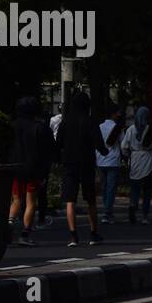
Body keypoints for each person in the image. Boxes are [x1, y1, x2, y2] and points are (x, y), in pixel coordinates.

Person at [57, 92, 108, 246]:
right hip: (87, 163)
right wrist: (105, 151)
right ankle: (93, 234)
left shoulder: (65, 122)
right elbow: (100, 145)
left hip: (70, 163)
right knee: (90, 199)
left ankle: (73, 236)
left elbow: (58, 144)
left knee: (70, 200)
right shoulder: (91, 121)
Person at [9, 97, 56, 246]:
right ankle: (25, 234)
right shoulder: (40, 128)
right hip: (34, 170)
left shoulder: (11, 126)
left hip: (15, 169)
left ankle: (8, 228)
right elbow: (50, 151)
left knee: (16, 200)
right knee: (30, 203)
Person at [122, 105, 152, 224]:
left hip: (135, 160)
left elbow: (124, 147)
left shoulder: (131, 129)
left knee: (135, 189)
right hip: (147, 161)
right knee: (147, 190)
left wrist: (128, 156)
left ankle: (132, 205)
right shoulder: (151, 129)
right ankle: (145, 216)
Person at [97, 105, 127, 224]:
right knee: (111, 188)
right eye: (118, 113)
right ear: (113, 114)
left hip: (100, 159)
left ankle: (106, 210)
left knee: (104, 187)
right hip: (113, 160)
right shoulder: (117, 128)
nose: (119, 115)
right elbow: (123, 144)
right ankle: (107, 212)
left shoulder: (99, 127)